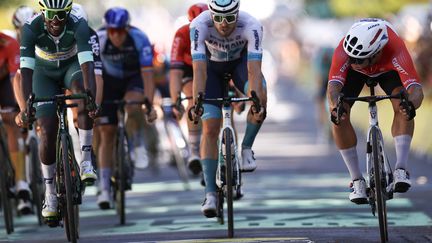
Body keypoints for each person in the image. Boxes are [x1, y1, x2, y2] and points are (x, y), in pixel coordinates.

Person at [15, 0, 98, 221]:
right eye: (51, 14)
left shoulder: (78, 25)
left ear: (68, 13)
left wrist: (91, 97)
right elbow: (25, 71)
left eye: (61, 15)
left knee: (83, 92)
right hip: (44, 74)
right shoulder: (30, 28)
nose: (56, 20)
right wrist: (27, 106)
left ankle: (86, 160)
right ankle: (50, 194)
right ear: (43, 12)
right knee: (48, 130)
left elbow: (87, 65)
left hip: (71, 68)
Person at [327, 18, 424, 204]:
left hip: (387, 71)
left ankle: (401, 168)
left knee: (402, 103)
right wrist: (335, 106)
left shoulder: (395, 47)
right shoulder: (344, 51)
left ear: (378, 52)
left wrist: (411, 104)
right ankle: (356, 180)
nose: (354, 61)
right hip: (355, 77)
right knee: (338, 116)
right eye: (352, 58)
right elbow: (333, 87)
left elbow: (416, 89)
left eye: (359, 58)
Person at [189, 0, 267, 217]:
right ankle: (210, 194)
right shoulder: (198, 25)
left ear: (237, 14)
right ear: (211, 15)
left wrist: (255, 99)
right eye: (219, 18)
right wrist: (197, 101)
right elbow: (199, 70)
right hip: (211, 69)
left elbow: (253, 71)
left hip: (239, 65)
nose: (224, 24)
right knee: (210, 128)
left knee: (261, 92)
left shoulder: (252, 25)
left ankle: (246, 148)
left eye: (230, 18)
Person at [95, 7, 157, 209]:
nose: (116, 35)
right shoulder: (99, 38)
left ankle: (135, 142)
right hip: (108, 83)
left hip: (133, 79)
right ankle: (104, 187)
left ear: (127, 29)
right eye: (112, 30)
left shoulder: (139, 38)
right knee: (107, 133)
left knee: (132, 107)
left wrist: (148, 104)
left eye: (120, 31)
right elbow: (92, 74)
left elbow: (148, 74)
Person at [0, 6, 35, 215]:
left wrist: (21, 109)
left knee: (11, 123)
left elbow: (16, 80)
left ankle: (21, 183)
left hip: (6, 84)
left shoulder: (10, 43)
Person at [169, 3, 208, 176]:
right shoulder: (182, 34)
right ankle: (194, 151)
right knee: (193, 99)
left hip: (211, 67)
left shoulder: (215, 30)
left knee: (225, 106)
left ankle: (231, 155)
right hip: (189, 70)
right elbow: (176, 73)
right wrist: (176, 100)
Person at [313, 46, 334, 144]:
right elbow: (319, 79)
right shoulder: (319, 60)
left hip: (332, 78)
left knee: (329, 103)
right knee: (321, 104)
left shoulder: (331, 55)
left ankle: (331, 129)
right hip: (324, 79)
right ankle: (324, 129)